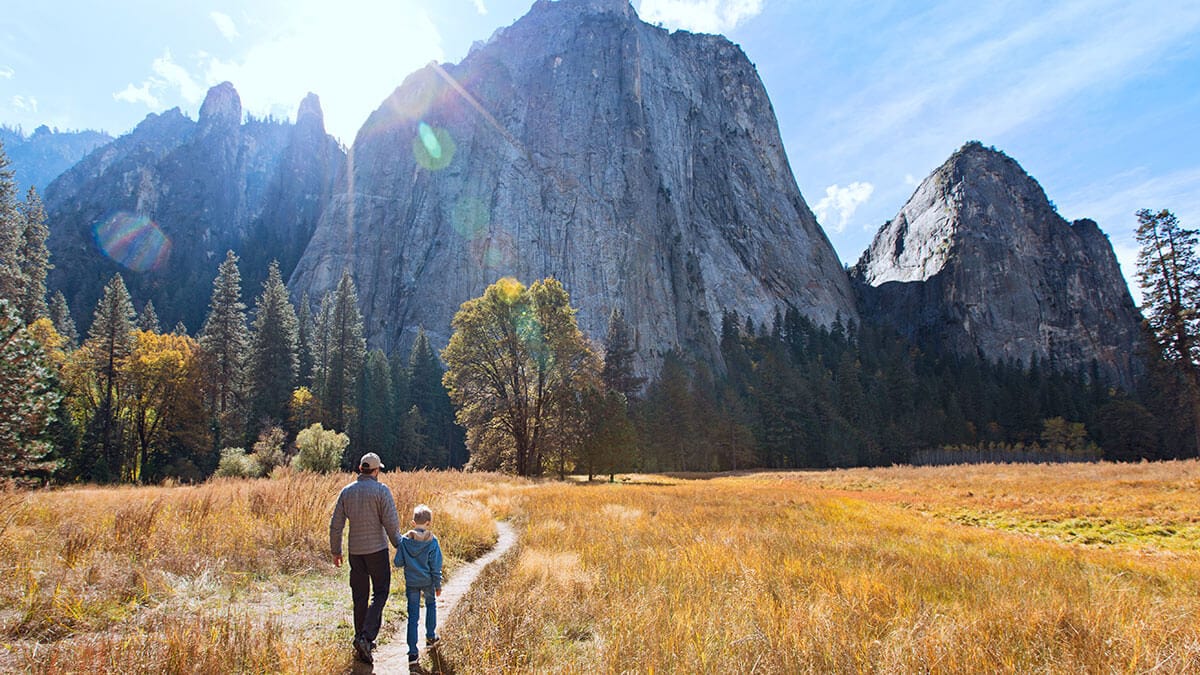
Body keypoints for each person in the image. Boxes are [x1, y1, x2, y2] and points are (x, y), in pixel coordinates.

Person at [329, 452, 402, 665]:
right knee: (380, 592)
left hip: (355, 552)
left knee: (359, 596)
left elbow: (336, 525)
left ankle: (361, 639)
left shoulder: (347, 492)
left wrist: (336, 551)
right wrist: (400, 546)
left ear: (361, 469)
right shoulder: (381, 491)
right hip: (377, 551)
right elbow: (391, 523)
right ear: (376, 470)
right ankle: (366, 637)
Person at [394, 503, 444, 668]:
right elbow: (436, 566)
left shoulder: (405, 541)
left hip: (412, 583)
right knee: (431, 605)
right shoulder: (433, 541)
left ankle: (413, 654)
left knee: (412, 617)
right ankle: (430, 637)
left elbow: (398, 562)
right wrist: (437, 584)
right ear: (428, 523)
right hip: (428, 581)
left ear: (413, 523)